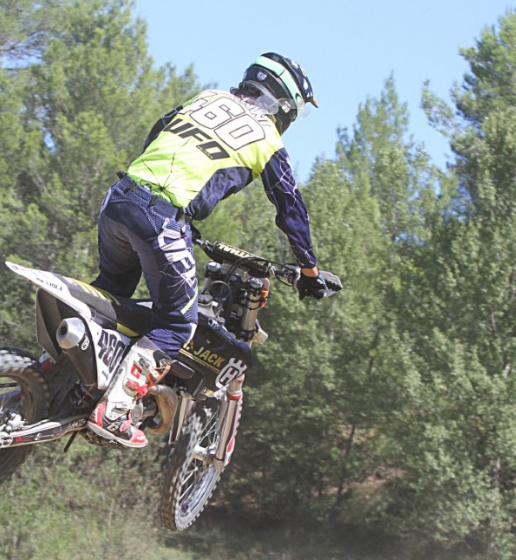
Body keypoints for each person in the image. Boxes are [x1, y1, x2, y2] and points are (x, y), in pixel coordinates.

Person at [87, 51, 340, 447]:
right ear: (285, 105)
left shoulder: (207, 97)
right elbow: (291, 209)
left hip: (120, 197)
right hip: (161, 217)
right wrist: (309, 273)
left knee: (108, 297)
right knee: (177, 324)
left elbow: (158, 131)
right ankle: (114, 412)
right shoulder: (268, 139)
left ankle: (56, 373)